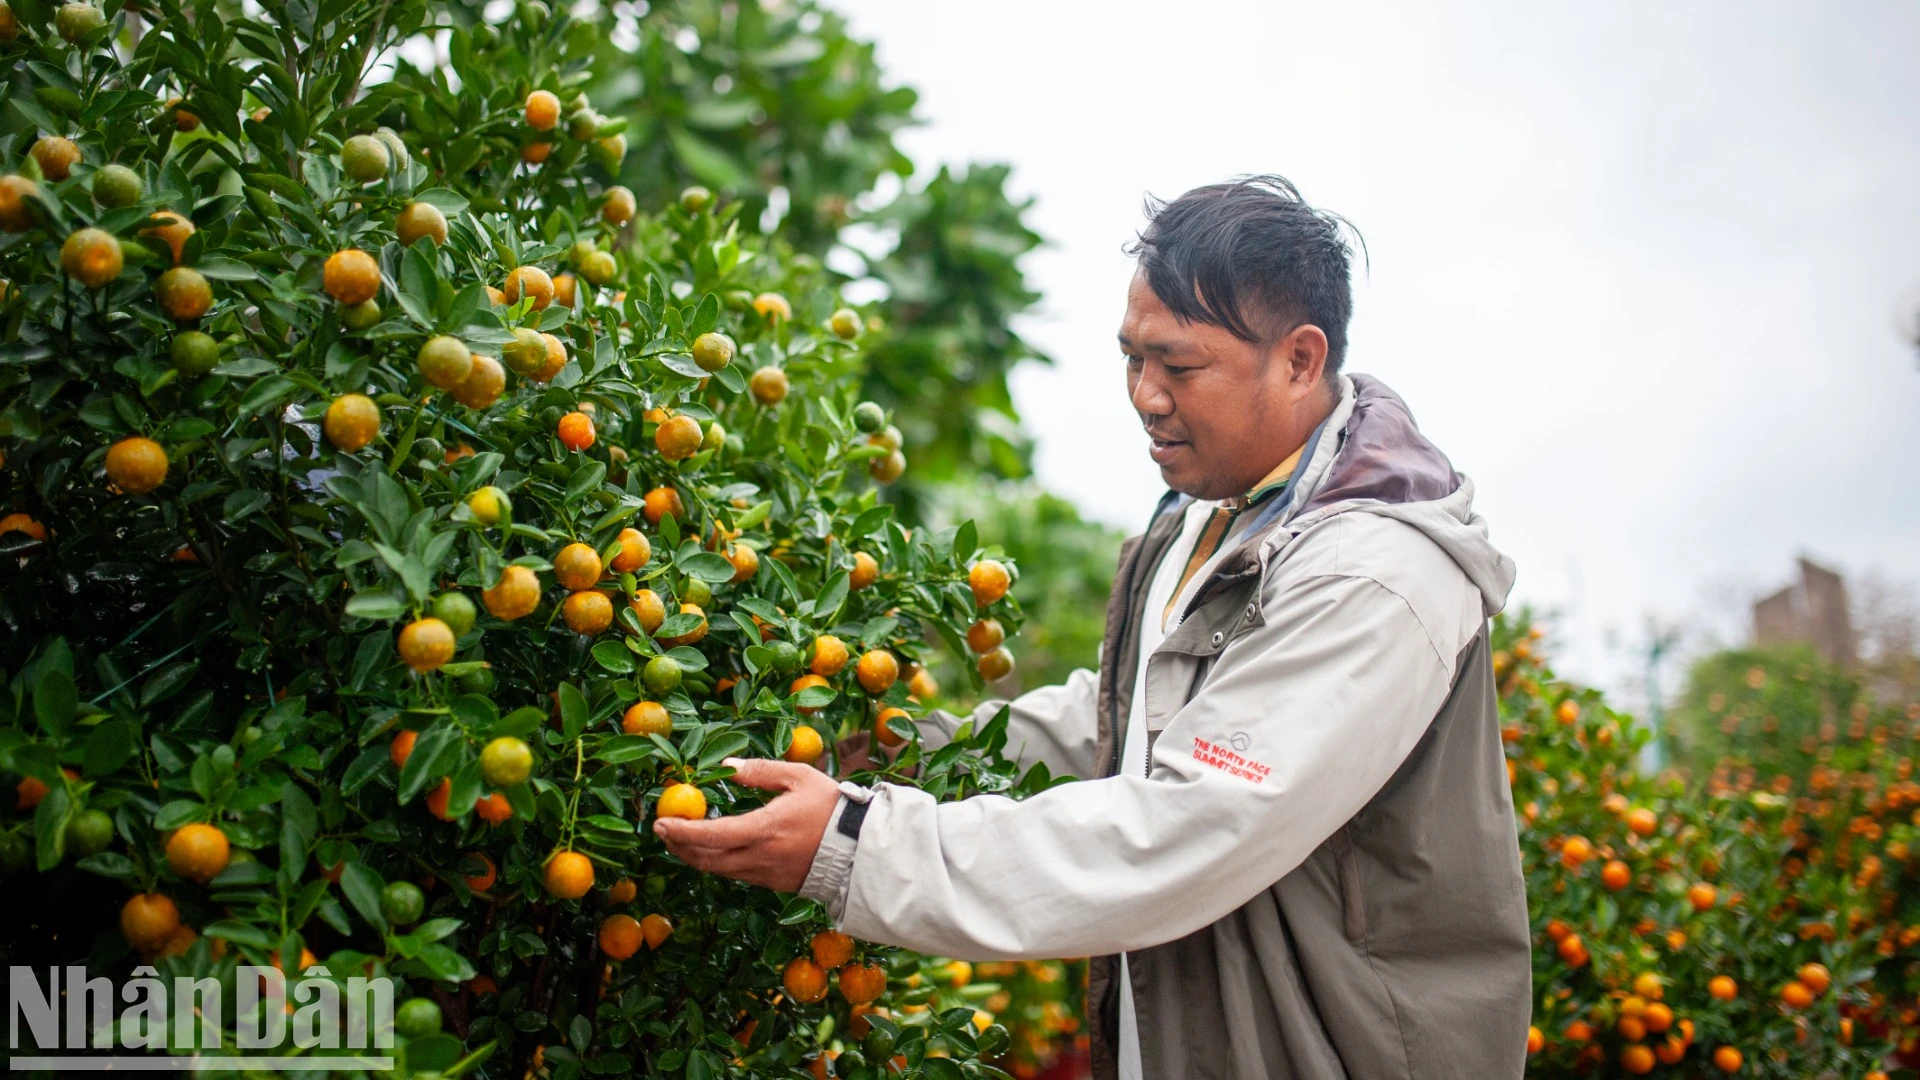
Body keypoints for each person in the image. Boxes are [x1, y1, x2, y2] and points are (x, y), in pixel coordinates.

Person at [654, 175, 1532, 1080]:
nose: (1145, 396)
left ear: (1301, 360)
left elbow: (1194, 822)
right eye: (1130, 359)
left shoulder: (1374, 579)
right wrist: (898, 751)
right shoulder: (1208, 519)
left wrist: (858, 847)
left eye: (1178, 366)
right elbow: (1121, 725)